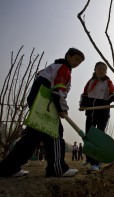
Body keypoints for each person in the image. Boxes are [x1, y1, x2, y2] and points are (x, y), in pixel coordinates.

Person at [0, 48, 85, 177]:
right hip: (47, 102)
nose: (77, 63)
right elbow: (58, 89)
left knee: (32, 137)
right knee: (55, 134)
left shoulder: (53, 66)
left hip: (38, 100)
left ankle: (8, 168)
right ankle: (57, 169)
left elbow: (41, 78)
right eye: (76, 59)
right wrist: (62, 108)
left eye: (80, 62)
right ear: (68, 56)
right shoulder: (64, 68)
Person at [79, 61, 114, 171]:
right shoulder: (90, 82)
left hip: (102, 113)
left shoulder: (107, 82)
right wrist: (82, 105)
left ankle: (96, 163)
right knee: (88, 136)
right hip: (90, 113)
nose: (102, 71)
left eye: (104, 70)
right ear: (95, 69)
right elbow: (84, 94)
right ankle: (89, 159)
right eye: (99, 69)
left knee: (99, 137)